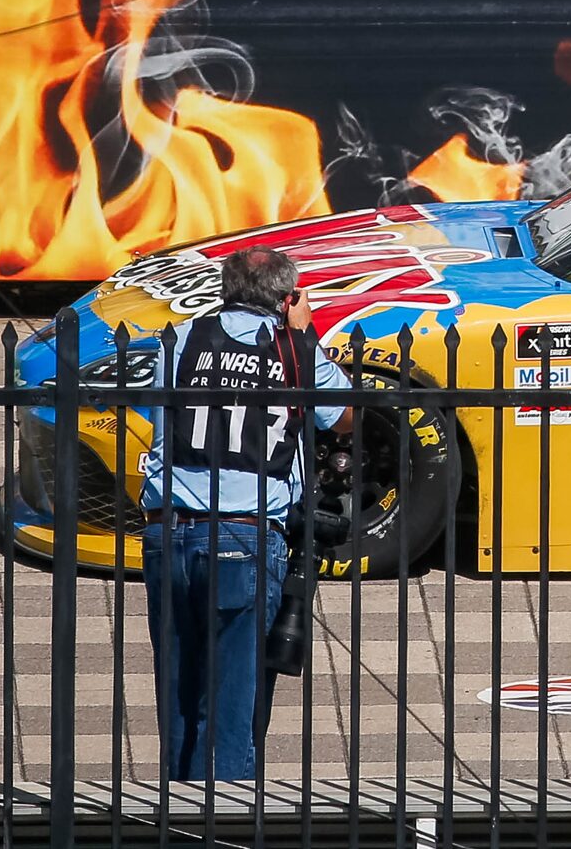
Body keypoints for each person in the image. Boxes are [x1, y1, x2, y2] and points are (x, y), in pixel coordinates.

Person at [141, 247, 351, 780]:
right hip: (244, 537)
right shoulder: (290, 350)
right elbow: (345, 418)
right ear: (287, 299)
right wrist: (307, 336)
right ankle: (228, 821)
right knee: (234, 706)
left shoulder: (182, 340)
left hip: (169, 532)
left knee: (180, 699)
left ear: (224, 290)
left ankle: (179, 813)